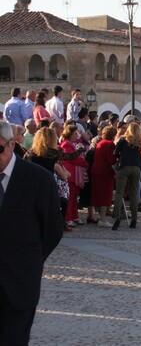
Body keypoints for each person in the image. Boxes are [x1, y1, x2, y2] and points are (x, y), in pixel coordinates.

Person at [0, 120, 62, 344]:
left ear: (11, 145)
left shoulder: (38, 179)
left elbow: (53, 229)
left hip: (20, 282)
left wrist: (30, 260)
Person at [112, 122, 141, 230]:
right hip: (136, 167)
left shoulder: (123, 140)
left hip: (124, 166)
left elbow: (116, 153)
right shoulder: (140, 142)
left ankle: (117, 216)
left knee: (119, 192)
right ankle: (134, 218)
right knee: (133, 193)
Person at [59, 124, 89, 226]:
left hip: (74, 174)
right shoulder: (66, 145)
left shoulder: (72, 144)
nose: (77, 135)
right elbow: (73, 158)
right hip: (70, 174)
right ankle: (68, 218)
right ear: (70, 134)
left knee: (74, 197)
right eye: (75, 133)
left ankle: (74, 216)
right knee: (70, 197)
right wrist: (85, 163)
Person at [91, 126, 118, 227]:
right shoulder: (109, 144)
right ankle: (102, 219)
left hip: (97, 171)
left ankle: (101, 216)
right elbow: (111, 160)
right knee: (105, 196)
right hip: (104, 173)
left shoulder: (100, 142)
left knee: (99, 195)